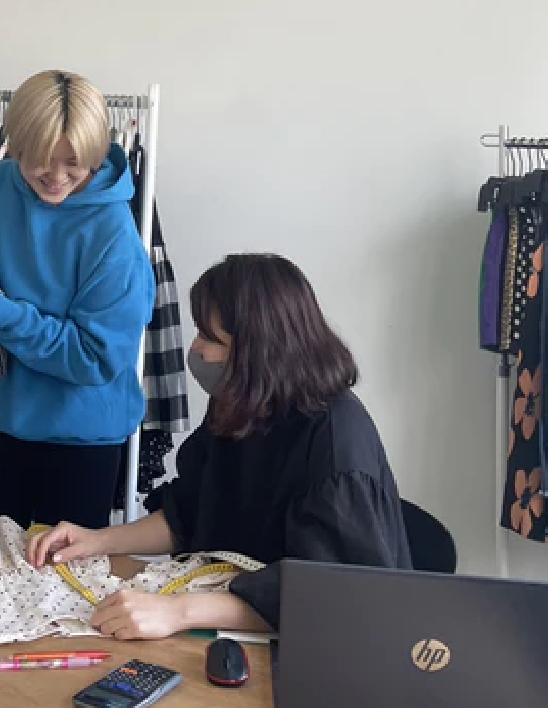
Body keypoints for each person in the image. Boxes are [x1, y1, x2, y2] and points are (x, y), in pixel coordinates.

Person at [27, 253, 413, 639]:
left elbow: (334, 598)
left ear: (260, 350)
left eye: (211, 339)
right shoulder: (242, 404)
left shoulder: (336, 445)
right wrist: (97, 540)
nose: (197, 349)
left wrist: (180, 612)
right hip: (234, 614)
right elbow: (189, 514)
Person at [0, 70, 155, 531]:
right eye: (41, 160)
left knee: (63, 572)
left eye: (74, 164)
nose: (57, 177)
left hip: (80, 438)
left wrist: (1, 314)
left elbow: (95, 358)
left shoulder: (114, 234)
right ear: (17, 144)